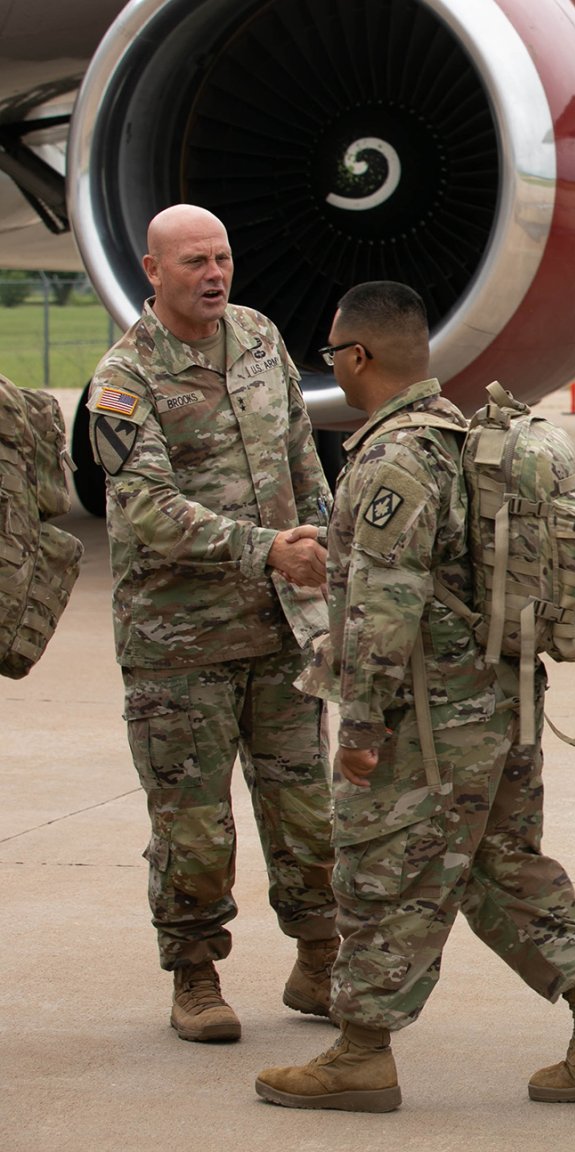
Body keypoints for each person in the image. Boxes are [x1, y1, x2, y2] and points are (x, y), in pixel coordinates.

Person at [255, 282, 575, 1112]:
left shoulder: (392, 459)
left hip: (431, 716)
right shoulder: (455, 435)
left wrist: (361, 723)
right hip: (500, 697)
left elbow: (384, 602)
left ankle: (361, 1052)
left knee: (379, 868)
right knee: (499, 864)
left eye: (336, 354)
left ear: (357, 357)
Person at [86, 204, 335, 1043]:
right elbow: (149, 510)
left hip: (279, 633)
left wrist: (328, 553)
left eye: (223, 257)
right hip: (176, 646)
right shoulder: (125, 380)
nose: (214, 274)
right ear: (153, 272)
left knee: (309, 813)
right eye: (194, 261)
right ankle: (195, 973)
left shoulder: (260, 338)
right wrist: (269, 550)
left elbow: (304, 458)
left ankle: (321, 958)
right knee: (193, 826)